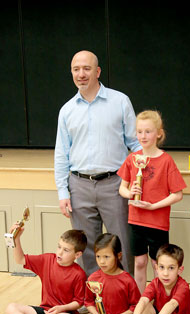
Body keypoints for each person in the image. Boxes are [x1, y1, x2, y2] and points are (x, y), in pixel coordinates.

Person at [54, 50, 140, 279]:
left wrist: (139, 179)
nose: (81, 74)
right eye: (76, 69)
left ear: (98, 71)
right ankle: (93, 300)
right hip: (79, 186)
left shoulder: (119, 101)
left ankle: (126, 299)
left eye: (87, 68)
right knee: (86, 249)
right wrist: (63, 192)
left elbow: (136, 144)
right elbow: (61, 154)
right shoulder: (67, 110)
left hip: (115, 185)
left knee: (120, 244)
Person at [118, 110, 186, 293]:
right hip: (136, 220)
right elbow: (121, 188)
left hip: (158, 222)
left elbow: (177, 194)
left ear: (158, 133)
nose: (143, 136)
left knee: (159, 264)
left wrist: (154, 206)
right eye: (139, 131)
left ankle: (159, 299)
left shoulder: (166, 161)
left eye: (148, 131)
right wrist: (130, 193)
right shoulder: (132, 159)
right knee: (139, 262)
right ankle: (141, 300)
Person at [54, 233, 141, 314]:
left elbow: (135, 307)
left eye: (106, 257)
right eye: (98, 256)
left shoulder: (127, 280)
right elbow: (88, 302)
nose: (101, 261)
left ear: (118, 256)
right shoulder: (93, 278)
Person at [2, 225, 87, 314]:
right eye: (59, 247)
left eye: (66, 250)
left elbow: (78, 302)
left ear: (77, 254)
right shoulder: (47, 260)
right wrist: (16, 239)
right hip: (44, 310)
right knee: (11, 308)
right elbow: (20, 259)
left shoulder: (79, 274)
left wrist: (61, 308)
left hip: (65, 313)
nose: (60, 252)